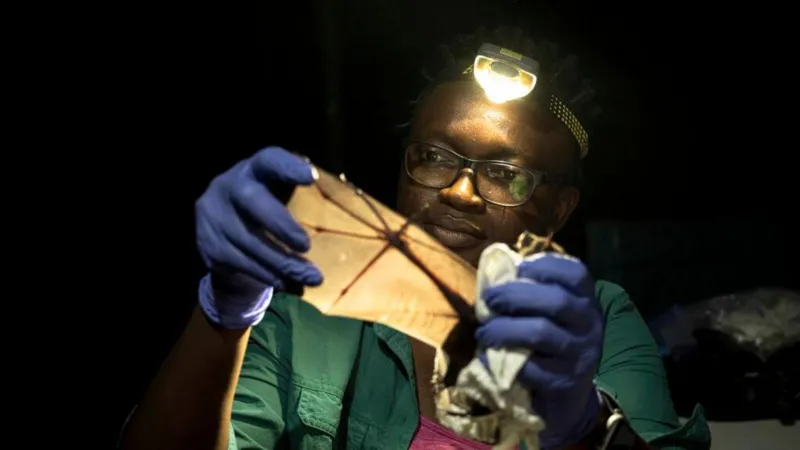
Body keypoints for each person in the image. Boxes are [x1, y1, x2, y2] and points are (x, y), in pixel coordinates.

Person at [119, 26, 711, 450]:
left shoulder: (599, 320)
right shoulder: (306, 323)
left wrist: (588, 429)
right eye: (433, 157)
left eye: (503, 174)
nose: (458, 192)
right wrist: (223, 315)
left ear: (557, 208)